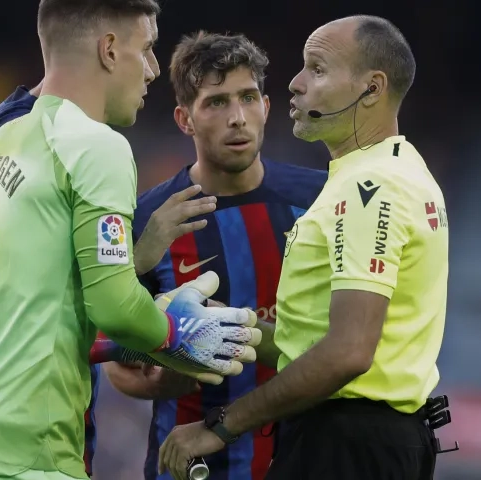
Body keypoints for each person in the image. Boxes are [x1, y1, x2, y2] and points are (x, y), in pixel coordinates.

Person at [0, 1, 262, 479]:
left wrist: (141, 324)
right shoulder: (96, 144)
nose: (154, 69)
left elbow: (37, 309)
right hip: (22, 452)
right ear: (110, 50)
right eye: (148, 48)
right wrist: (177, 333)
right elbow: (113, 306)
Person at [158, 15, 449, 480]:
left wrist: (220, 426)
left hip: (347, 446)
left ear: (371, 89)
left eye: (316, 69)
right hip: (365, 441)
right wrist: (231, 325)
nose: (295, 84)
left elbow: (349, 352)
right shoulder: (396, 170)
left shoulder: (368, 186)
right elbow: (313, 345)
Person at [103, 32, 327, 480]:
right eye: (217, 103)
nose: (237, 118)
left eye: (247, 98)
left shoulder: (322, 197)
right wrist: (175, 369)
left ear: (266, 107)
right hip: (194, 466)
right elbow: (119, 366)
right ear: (185, 119)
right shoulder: (148, 219)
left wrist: (242, 338)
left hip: (308, 458)